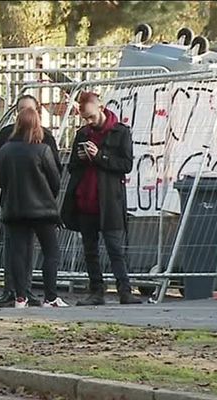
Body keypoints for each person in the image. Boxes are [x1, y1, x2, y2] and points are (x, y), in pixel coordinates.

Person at [61, 92, 142, 306]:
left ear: (101, 108)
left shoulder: (120, 132)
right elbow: (71, 167)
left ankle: (124, 290)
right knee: (90, 250)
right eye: (85, 118)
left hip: (110, 201)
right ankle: (96, 290)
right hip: (86, 200)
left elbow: (125, 165)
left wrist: (99, 156)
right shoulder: (82, 133)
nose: (89, 122)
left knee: (115, 248)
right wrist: (79, 159)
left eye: (91, 117)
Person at [0, 95, 62, 308]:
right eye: (22, 109)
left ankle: (20, 294)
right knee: (39, 250)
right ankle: (38, 294)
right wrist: (47, 195)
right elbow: (55, 176)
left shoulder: (8, 145)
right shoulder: (42, 143)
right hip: (39, 206)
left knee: (17, 249)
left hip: (15, 204)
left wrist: (9, 188)